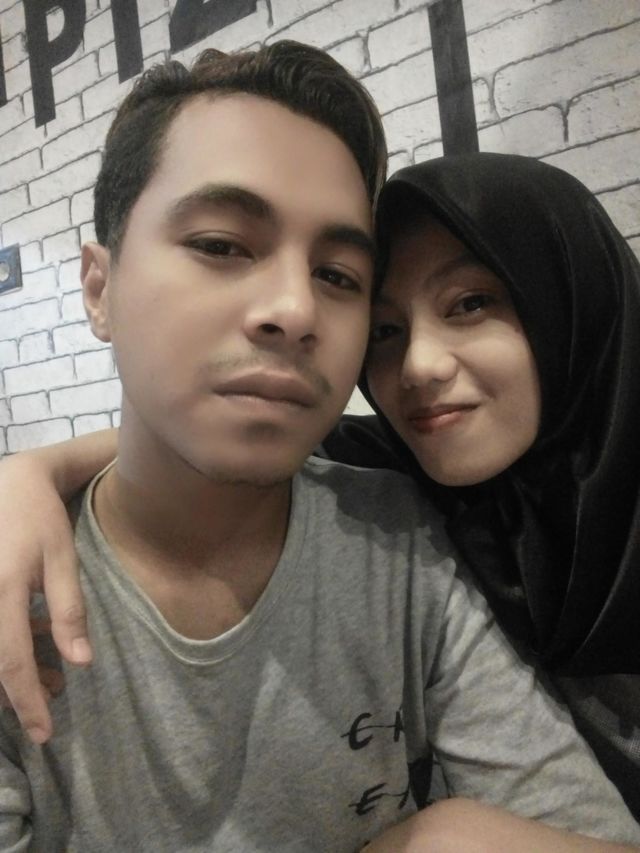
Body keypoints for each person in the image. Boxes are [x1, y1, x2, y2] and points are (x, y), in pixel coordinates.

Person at [0, 52, 637, 850]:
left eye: (337, 276)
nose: (296, 308)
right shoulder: (17, 582)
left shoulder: (398, 529)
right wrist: (27, 472)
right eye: (222, 245)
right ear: (99, 288)